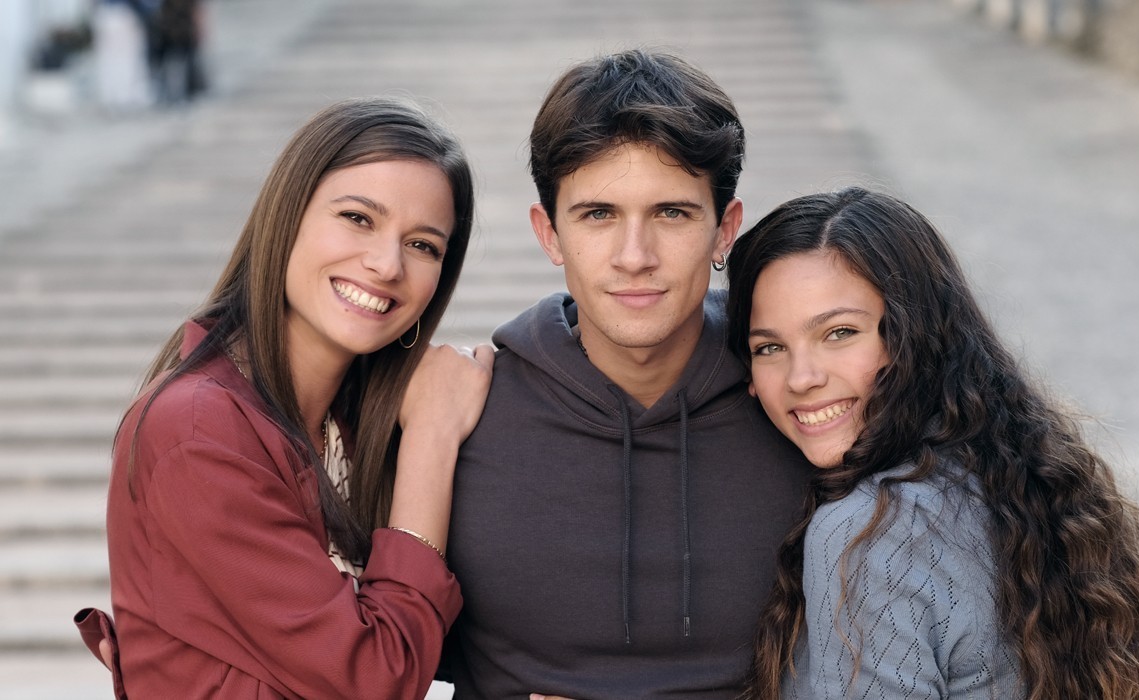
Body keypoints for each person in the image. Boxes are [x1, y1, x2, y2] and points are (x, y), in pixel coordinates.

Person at [74, 95, 494, 699]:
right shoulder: (198, 431)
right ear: (287, 217)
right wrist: (433, 435)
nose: (386, 264)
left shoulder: (355, 427)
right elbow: (377, 678)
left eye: (423, 245)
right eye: (357, 218)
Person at [440, 49, 811, 699]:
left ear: (724, 231)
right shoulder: (461, 414)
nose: (634, 257)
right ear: (549, 233)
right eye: (598, 215)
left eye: (671, 213)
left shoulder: (803, 402)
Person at [725, 188, 1139, 699]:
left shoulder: (868, 531)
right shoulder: (1018, 480)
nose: (802, 377)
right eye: (769, 347)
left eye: (839, 333)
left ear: (913, 335)